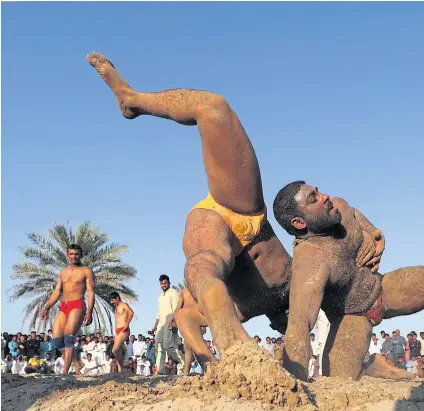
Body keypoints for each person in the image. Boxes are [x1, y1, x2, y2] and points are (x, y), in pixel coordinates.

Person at [87, 52, 301, 375]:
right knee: (213, 107)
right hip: (245, 212)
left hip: (214, 225)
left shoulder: (246, 309)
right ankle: (132, 99)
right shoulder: (297, 276)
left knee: (206, 266)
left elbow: (185, 317)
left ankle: (229, 348)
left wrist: (206, 359)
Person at [273, 182, 424, 381]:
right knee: (339, 381)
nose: (324, 196)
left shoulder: (340, 207)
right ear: (299, 223)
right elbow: (299, 324)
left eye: (319, 190)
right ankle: (372, 366)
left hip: (385, 289)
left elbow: (366, 225)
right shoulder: (309, 262)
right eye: (313, 198)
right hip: (351, 316)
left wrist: (374, 236)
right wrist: (294, 384)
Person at [40, 244, 95, 375]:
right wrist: (46, 307)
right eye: (71, 254)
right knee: (57, 339)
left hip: (78, 304)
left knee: (68, 336)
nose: (74, 256)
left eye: (76, 254)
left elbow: (91, 292)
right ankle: (77, 363)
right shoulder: (63, 272)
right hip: (64, 306)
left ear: (81, 255)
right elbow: (57, 291)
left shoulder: (86, 271)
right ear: (67, 255)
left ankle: (64, 372)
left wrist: (89, 311)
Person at [110, 292, 134, 372]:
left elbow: (131, 312)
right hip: (117, 330)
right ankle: (121, 368)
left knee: (114, 350)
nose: (112, 302)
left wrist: (127, 324)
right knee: (118, 350)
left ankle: (122, 366)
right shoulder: (116, 308)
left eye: (113, 300)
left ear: (117, 298)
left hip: (124, 329)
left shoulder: (124, 304)